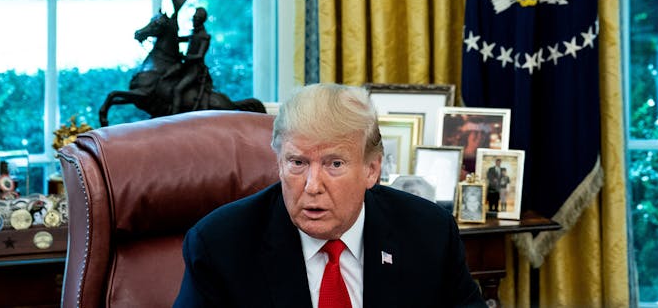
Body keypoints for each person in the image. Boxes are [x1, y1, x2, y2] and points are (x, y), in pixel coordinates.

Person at [174, 83, 484, 307]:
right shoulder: (220, 245)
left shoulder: (428, 232)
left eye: (334, 164)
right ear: (279, 163)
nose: (312, 185)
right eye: (297, 163)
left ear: (371, 170)